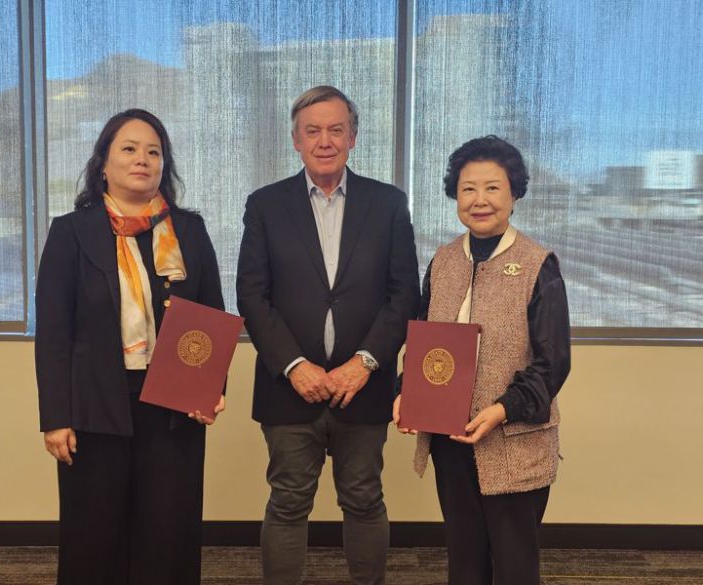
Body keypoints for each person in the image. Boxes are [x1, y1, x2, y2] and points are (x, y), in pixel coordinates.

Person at [236, 85, 420, 585]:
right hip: (289, 386)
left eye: (336, 130)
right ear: (295, 140)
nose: (325, 141)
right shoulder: (265, 205)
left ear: (353, 137)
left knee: (364, 498)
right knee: (288, 500)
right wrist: (295, 366)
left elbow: (404, 294)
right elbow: (252, 295)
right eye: (312, 131)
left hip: (364, 384)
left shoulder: (388, 204)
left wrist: (364, 363)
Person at [35, 108, 225, 585]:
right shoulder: (71, 232)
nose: (143, 159)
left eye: (154, 152)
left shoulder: (189, 231)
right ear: (104, 163)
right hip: (93, 406)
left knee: (168, 530)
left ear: (164, 165)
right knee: (94, 532)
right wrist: (55, 416)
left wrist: (210, 389)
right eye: (129, 148)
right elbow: (54, 333)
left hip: (174, 406)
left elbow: (211, 318)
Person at [394, 135, 571, 585]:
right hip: (450, 442)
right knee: (465, 562)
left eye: (493, 187)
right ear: (455, 195)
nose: (480, 200)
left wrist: (502, 409)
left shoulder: (538, 264)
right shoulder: (443, 260)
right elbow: (424, 342)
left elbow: (553, 363)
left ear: (514, 194)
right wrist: (406, 392)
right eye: (468, 188)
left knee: (514, 567)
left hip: (512, 440)